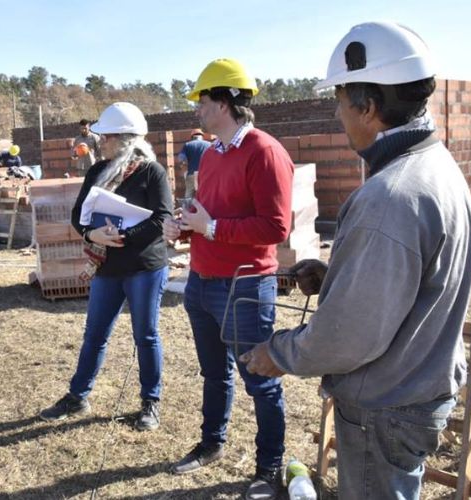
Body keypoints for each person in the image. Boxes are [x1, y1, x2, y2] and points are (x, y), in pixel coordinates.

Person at [241, 22, 471, 500]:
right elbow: (411, 284)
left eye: (341, 99)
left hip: (386, 405)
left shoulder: (390, 196)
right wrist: (338, 278)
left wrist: (280, 353)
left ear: (367, 107)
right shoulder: (435, 166)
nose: (337, 112)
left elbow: (351, 333)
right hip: (418, 387)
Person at [162, 58, 293, 500]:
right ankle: (212, 443)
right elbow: (209, 214)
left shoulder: (265, 152)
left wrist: (211, 229)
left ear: (223, 101)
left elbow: (276, 228)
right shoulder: (213, 153)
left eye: (201, 99)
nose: (196, 108)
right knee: (214, 372)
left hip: (245, 286)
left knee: (260, 379)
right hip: (201, 281)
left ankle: (269, 468)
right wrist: (183, 227)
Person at [40, 102, 173, 431]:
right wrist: (91, 232)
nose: (102, 142)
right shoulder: (96, 171)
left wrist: (125, 236)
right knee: (95, 335)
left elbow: (163, 218)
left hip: (145, 266)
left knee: (146, 335)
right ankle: (78, 396)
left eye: (108, 137)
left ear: (126, 139)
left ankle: (150, 402)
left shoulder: (151, 172)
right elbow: (78, 215)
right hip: (108, 268)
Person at [177, 128, 210, 198]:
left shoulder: (187, 145)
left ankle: (187, 208)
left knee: (189, 194)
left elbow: (181, 160)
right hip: (205, 175)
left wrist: (185, 172)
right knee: (206, 194)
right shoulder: (209, 145)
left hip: (191, 174)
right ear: (202, 136)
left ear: (192, 137)